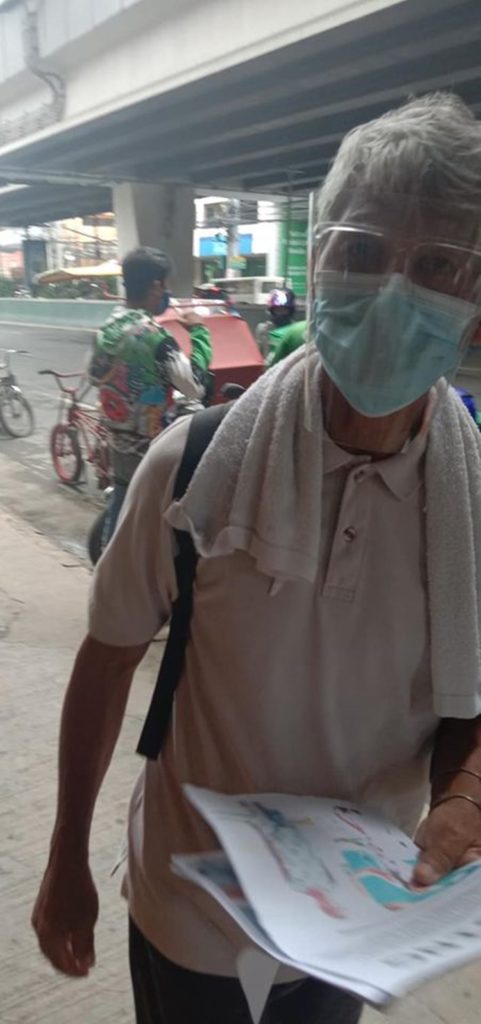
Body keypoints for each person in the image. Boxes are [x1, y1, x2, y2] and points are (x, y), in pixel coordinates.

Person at [33, 93, 481, 1024]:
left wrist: (464, 796)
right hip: (188, 908)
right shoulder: (196, 467)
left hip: (360, 927)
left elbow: (468, 694)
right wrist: (66, 855)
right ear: (318, 265)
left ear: (475, 306)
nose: (391, 291)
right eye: (363, 251)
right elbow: (107, 658)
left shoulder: (471, 500)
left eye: (437, 265)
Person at [87, 246, 212, 541]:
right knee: (156, 535)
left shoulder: (106, 330)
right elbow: (195, 385)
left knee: (118, 524)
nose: (166, 292)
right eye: (165, 285)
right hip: (152, 455)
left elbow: (94, 375)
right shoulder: (154, 337)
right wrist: (199, 333)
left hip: (118, 447)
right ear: (156, 286)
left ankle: (109, 566)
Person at [257, 288, 307, 367]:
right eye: (277, 310)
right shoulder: (264, 329)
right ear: (271, 311)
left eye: (284, 310)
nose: (280, 314)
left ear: (290, 311)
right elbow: (259, 354)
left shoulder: (295, 330)